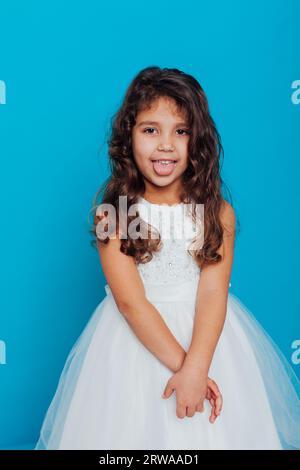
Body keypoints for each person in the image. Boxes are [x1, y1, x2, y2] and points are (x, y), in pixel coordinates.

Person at [34, 66, 300, 450]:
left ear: (199, 141)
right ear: (129, 137)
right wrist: (184, 368)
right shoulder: (116, 214)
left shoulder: (217, 211)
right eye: (150, 130)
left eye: (181, 131)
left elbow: (213, 293)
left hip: (207, 343)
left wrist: (198, 366)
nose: (165, 144)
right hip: (136, 342)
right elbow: (130, 300)